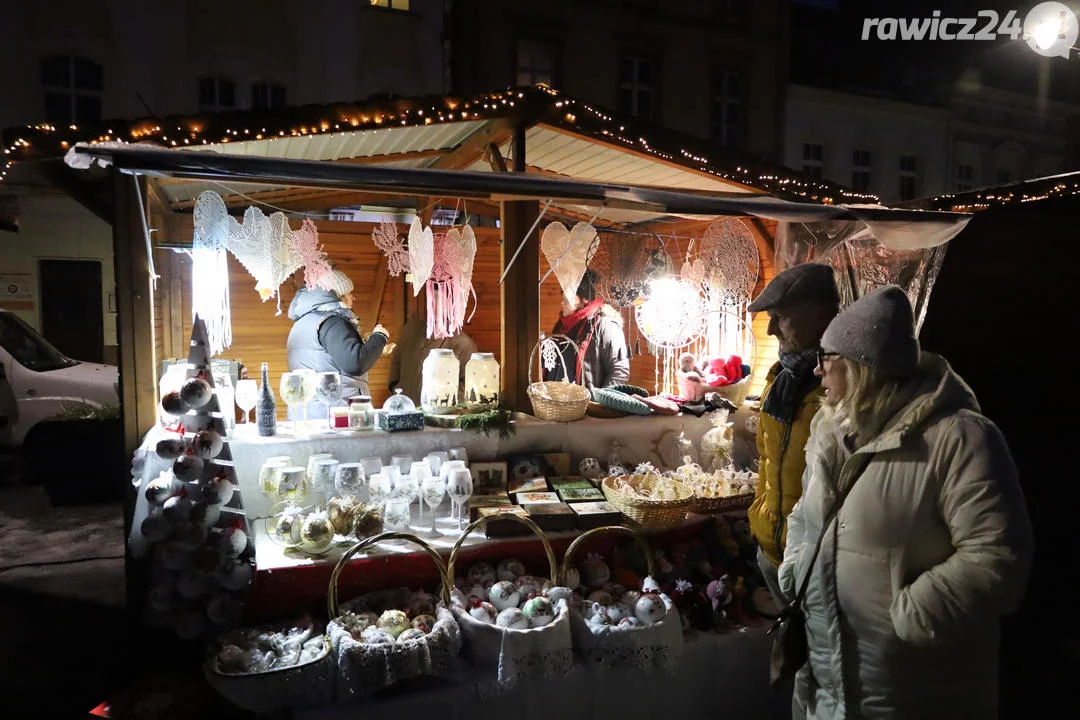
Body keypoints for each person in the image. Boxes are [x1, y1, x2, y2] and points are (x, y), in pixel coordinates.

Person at [779, 285, 1033, 719]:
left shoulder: (959, 438)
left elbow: (997, 558)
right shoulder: (830, 432)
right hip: (830, 687)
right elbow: (806, 518)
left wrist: (910, 616)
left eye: (827, 359)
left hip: (914, 690)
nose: (818, 372)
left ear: (860, 368)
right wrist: (795, 569)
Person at [746, 263, 840, 611]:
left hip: (817, 560)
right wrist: (761, 519)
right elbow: (766, 459)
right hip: (772, 549)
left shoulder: (842, 388)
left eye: (780, 317)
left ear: (821, 314)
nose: (771, 329)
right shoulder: (779, 379)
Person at [286, 269, 389, 415]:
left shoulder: (304, 322)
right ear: (337, 295)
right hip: (335, 414)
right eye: (349, 293)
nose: (354, 298)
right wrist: (380, 337)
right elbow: (355, 363)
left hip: (306, 412)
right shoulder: (332, 322)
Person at [545, 268, 629, 391]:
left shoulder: (605, 325)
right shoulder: (561, 326)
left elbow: (619, 370)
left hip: (590, 405)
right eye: (562, 298)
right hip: (559, 404)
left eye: (567, 298)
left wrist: (600, 402)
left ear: (584, 299)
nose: (562, 303)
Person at [389, 311, 477, 403]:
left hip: (438, 413)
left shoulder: (464, 344)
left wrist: (438, 401)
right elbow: (396, 359)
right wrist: (394, 386)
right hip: (404, 406)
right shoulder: (410, 330)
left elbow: (469, 385)